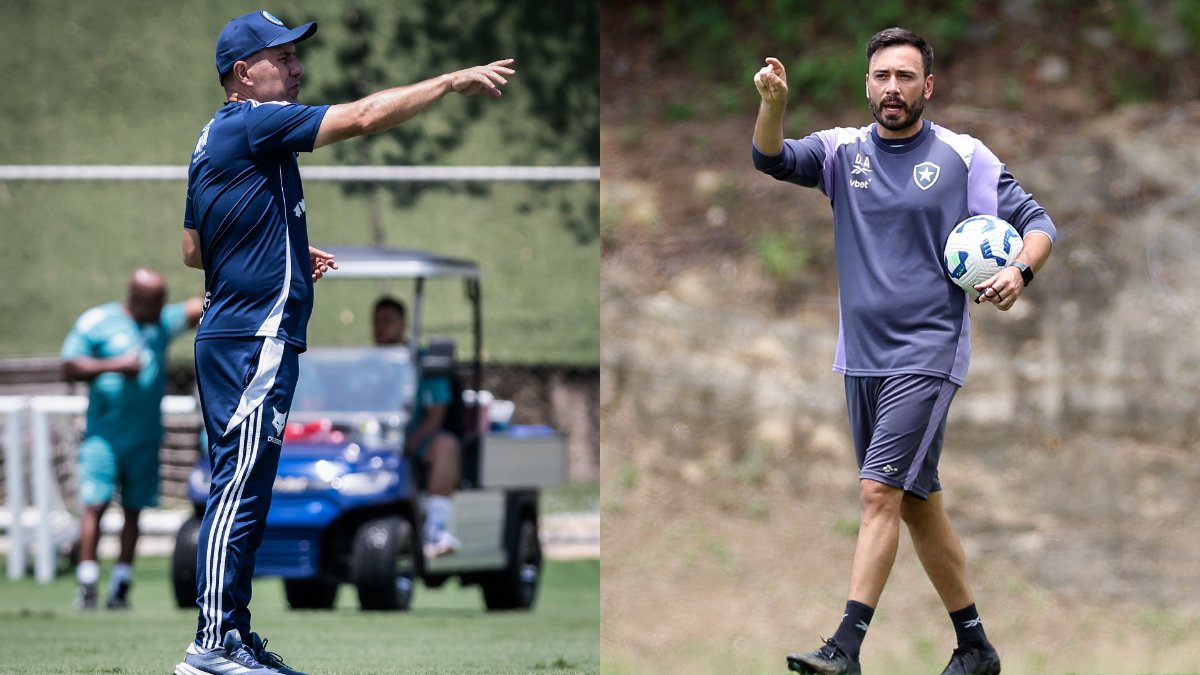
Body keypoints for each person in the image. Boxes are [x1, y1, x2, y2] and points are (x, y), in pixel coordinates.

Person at [176, 10, 513, 675]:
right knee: (239, 487)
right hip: (254, 336)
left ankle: (232, 638)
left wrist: (285, 248)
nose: (299, 68)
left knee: (246, 486)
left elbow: (193, 250)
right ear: (244, 72)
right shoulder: (253, 121)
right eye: (285, 57)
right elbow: (359, 119)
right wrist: (447, 81)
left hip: (235, 330)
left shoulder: (217, 134)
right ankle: (213, 644)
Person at [752, 28, 1055, 675]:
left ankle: (846, 645)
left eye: (906, 77)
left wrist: (1018, 273)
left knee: (876, 494)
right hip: (860, 356)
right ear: (867, 84)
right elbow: (771, 158)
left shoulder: (963, 156)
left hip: (927, 351)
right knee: (917, 502)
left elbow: (1039, 225)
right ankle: (975, 645)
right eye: (882, 76)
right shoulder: (840, 152)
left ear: (928, 87)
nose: (893, 88)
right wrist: (773, 102)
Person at [61, 268, 202, 610]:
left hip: (145, 438)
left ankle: (121, 586)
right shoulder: (98, 322)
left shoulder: (159, 323)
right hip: (103, 438)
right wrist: (114, 365)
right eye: (156, 302)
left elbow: (196, 307)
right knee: (94, 505)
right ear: (137, 299)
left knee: (134, 511)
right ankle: (88, 583)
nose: (161, 308)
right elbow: (69, 366)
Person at [372, 296, 462, 558]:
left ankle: (435, 528)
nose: (380, 328)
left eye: (387, 321)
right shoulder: (363, 364)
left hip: (415, 437)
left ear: (403, 324)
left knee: (446, 446)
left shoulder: (423, 363)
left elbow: (436, 413)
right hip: (370, 439)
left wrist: (410, 442)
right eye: (376, 322)